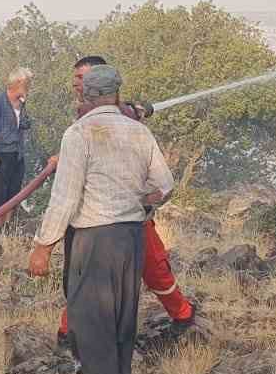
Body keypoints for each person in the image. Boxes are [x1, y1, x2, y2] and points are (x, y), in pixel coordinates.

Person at [28, 64, 174, 374]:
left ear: (85, 96)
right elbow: (165, 183)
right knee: (122, 317)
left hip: (94, 237)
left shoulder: (79, 134)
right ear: (117, 96)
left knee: (89, 319)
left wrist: (43, 246)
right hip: (130, 237)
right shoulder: (139, 132)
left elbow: (64, 197)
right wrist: (145, 202)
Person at [55, 55, 195, 348]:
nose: (76, 84)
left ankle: (183, 316)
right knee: (84, 276)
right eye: (76, 79)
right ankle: (68, 333)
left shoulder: (117, 116)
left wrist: (130, 111)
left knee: (155, 269)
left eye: (82, 79)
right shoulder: (85, 116)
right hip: (96, 217)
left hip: (131, 214)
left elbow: (158, 180)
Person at [0, 68, 33, 222]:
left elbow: (24, 125)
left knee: (14, 189)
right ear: (19, 82)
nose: (29, 86)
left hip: (18, 152)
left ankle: (7, 224)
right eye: (27, 83)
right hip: (2, 152)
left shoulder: (22, 103)